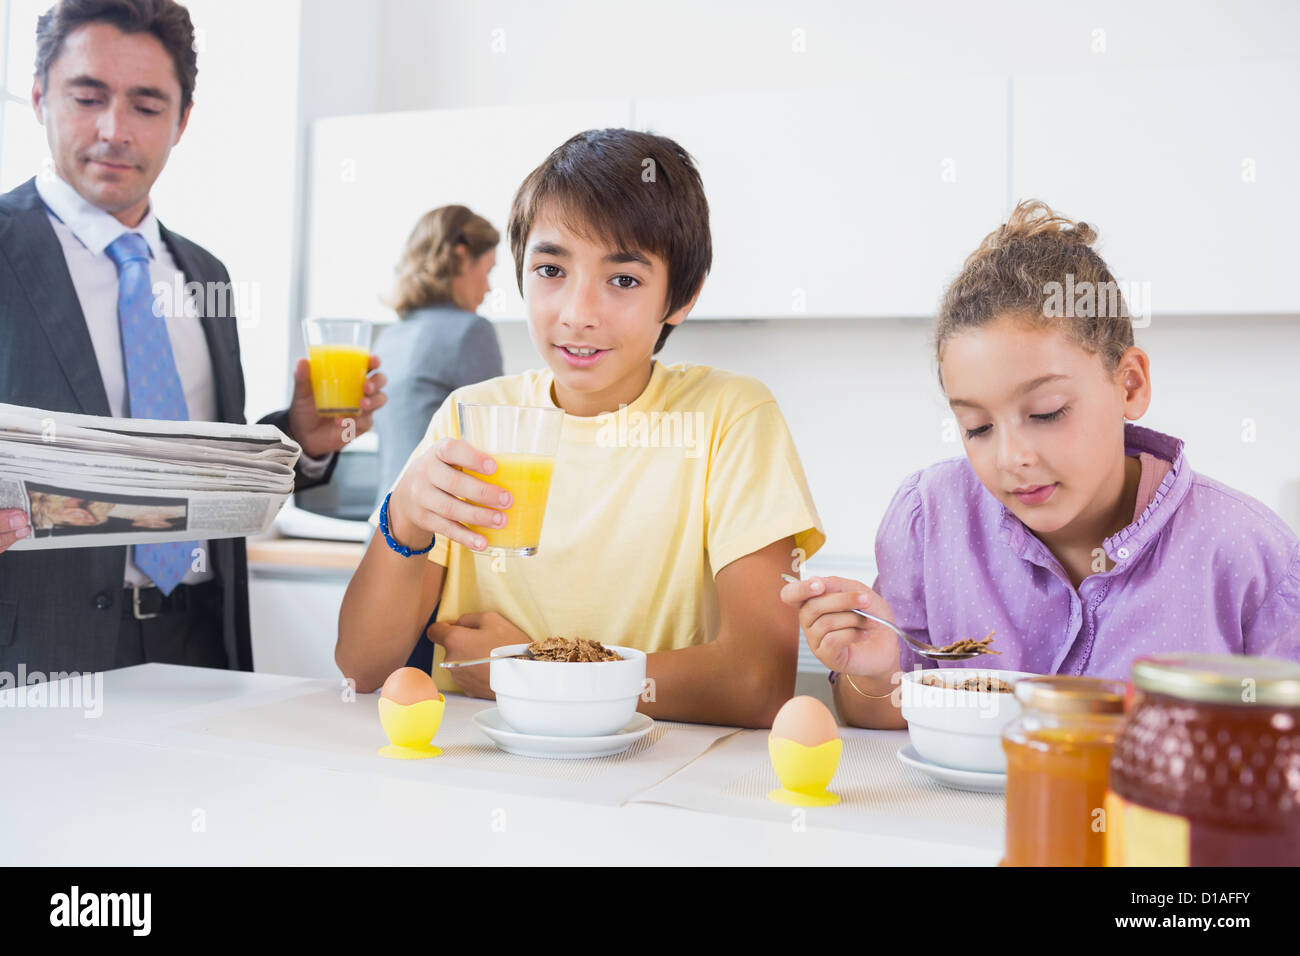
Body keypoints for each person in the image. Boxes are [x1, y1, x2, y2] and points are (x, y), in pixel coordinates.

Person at [337, 128, 825, 728]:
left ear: (681, 297)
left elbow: (757, 683)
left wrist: (535, 672)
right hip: (476, 771)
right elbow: (361, 670)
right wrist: (403, 518)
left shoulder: (729, 417)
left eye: (623, 280)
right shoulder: (473, 417)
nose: (577, 314)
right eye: (550, 269)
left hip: (660, 775)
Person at [781, 200, 1300, 729]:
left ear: (1130, 385)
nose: (1011, 459)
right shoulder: (929, 520)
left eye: (1047, 413)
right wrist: (872, 675)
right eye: (978, 428)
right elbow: (884, 721)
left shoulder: (1249, 557)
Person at [0, 0, 387, 674]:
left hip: (202, 641)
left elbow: (207, 472)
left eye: (147, 106)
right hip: (38, 649)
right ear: (39, 96)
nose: (115, 130)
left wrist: (299, 436)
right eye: (88, 96)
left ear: (181, 121)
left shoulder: (205, 274)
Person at [372, 204, 504, 509]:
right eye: (488, 270)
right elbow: (495, 447)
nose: (488, 288)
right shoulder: (471, 331)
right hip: (438, 528)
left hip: (385, 525)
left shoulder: (390, 337)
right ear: (460, 257)